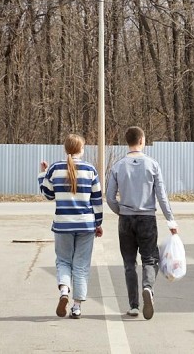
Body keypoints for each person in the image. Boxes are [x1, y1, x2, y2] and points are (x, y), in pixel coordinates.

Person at [106, 126, 178, 320]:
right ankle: (148, 286)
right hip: (147, 218)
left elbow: (110, 196)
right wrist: (170, 220)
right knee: (150, 259)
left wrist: (120, 211)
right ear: (142, 140)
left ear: (127, 141)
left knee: (129, 263)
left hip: (126, 219)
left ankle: (134, 306)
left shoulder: (118, 166)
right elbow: (161, 196)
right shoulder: (152, 165)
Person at [38, 134, 103, 319]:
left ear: (65, 149)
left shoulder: (55, 169)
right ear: (81, 149)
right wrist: (98, 223)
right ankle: (76, 307)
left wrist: (42, 174)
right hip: (86, 224)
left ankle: (64, 291)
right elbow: (97, 200)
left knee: (63, 261)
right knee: (81, 265)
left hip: (62, 225)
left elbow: (48, 195)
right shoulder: (90, 169)